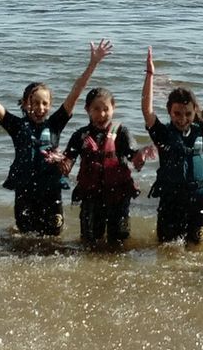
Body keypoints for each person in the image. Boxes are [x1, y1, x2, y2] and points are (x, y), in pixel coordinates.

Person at [0, 40, 113, 236]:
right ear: (25, 104)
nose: (40, 108)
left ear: (50, 105)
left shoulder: (55, 123)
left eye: (44, 104)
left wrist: (93, 64)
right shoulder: (16, 126)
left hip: (51, 192)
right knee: (26, 238)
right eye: (34, 103)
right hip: (25, 191)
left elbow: (76, 91)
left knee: (53, 236)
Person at [142, 43, 203, 244]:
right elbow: (147, 111)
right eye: (177, 114)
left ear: (194, 111)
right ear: (170, 112)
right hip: (170, 204)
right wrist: (149, 75)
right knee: (166, 250)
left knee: (196, 248)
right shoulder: (163, 134)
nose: (182, 118)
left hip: (197, 202)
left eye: (188, 114)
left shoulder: (202, 131)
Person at [57, 87, 154, 246]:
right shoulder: (80, 136)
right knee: (90, 242)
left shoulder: (122, 132)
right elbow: (67, 163)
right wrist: (60, 163)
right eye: (96, 109)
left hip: (119, 196)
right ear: (87, 109)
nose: (101, 114)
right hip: (91, 197)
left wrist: (141, 156)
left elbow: (134, 158)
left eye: (106, 109)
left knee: (119, 241)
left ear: (113, 108)